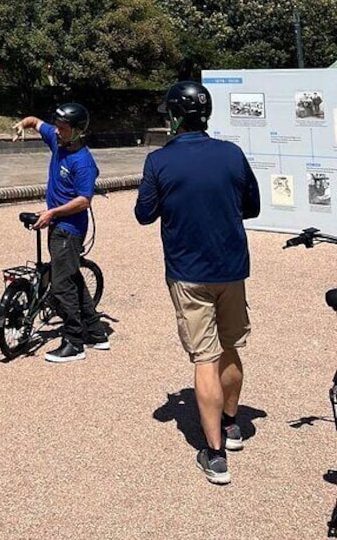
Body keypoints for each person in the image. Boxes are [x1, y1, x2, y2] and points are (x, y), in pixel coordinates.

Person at [134, 81, 260, 485]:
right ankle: (232, 424)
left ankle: (215, 454)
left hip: (188, 272)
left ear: (172, 116)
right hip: (232, 268)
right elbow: (252, 207)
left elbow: (143, 214)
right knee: (232, 347)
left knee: (204, 357)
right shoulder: (232, 153)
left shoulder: (159, 161)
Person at [12, 103, 109, 363]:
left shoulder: (83, 162)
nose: (57, 132)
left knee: (61, 286)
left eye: (63, 129)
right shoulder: (58, 142)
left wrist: (53, 213)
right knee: (73, 278)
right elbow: (34, 120)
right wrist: (23, 125)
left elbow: (84, 200)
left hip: (69, 229)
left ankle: (74, 342)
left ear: (77, 131)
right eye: (57, 127)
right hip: (57, 224)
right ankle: (97, 333)